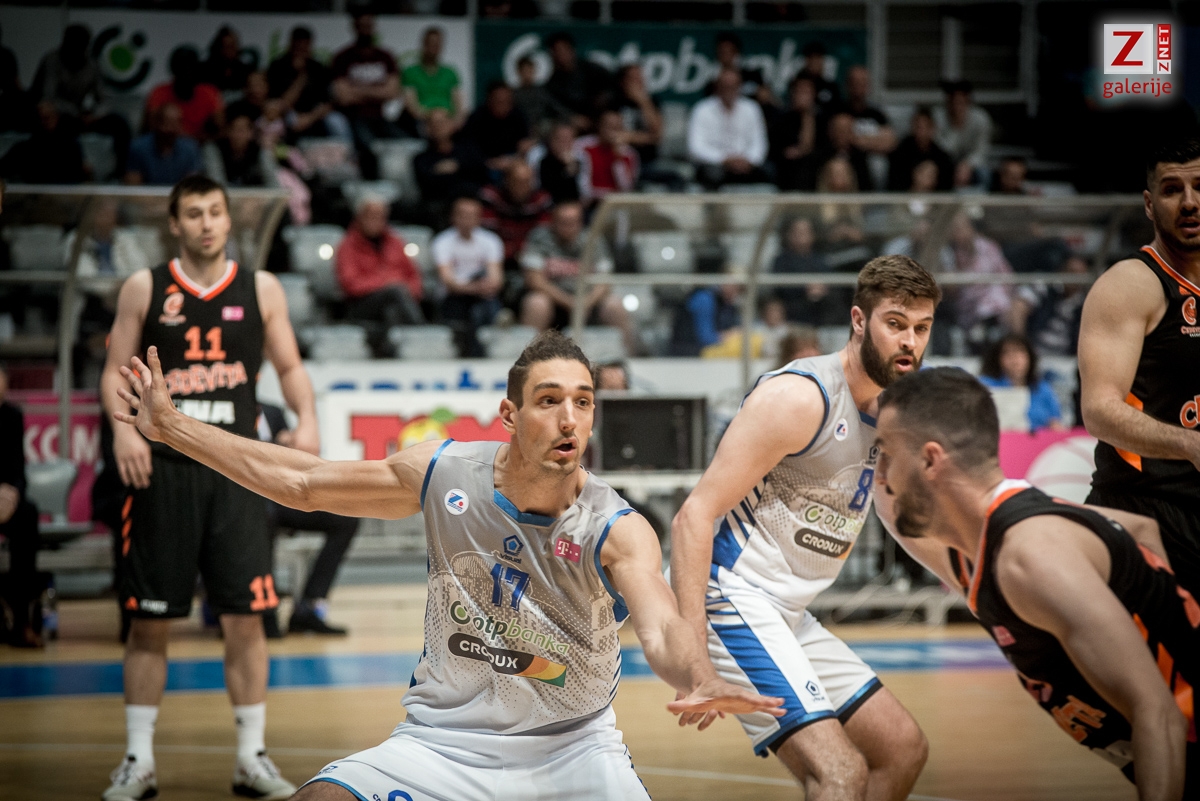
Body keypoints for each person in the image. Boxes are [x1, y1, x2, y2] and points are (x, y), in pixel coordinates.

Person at [112, 329, 784, 801]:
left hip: (572, 748)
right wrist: (173, 428)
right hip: (441, 744)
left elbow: (661, 627)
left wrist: (699, 674)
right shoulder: (444, 473)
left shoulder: (615, 525)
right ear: (509, 415)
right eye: (549, 400)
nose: (570, 418)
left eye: (583, 401)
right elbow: (304, 483)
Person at [670, 255, 940, 799]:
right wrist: (693, 657)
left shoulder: (897, 410)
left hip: (789, 612)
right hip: (736, 596)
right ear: (859, 320)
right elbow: (693, 515)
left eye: (921, 328)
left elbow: (903, 519)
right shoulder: (800, 397)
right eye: (895, 324)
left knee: (902, 748)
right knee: (839, 772)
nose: (909, 342)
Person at [873, 366, 1197, 799]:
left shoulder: (1030, 558)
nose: (881, 474)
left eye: (886, 455)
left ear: (931, 460)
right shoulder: (981, 549)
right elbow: (1142, 529)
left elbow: (1160, 714)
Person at [98, 175, 319, 801]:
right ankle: (138, 760)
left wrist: (307, 417)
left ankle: (251, 757)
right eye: (193, 213)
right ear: (175, 223)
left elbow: (289, 365)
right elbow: (114, 370)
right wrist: (123, 434)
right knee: (149, 621)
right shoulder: (145, 286)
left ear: (228, 220)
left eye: (215, 212)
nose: (205, 223)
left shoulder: (261, 287)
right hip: (163, 470)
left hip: (237, 469)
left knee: (247, 618)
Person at [1079, 138, 1200, 598]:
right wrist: (1189, 444)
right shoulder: (1130, 285)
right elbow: (1100, 410)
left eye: (1199, 187)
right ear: (1149, 205)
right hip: (1145, 508)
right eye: (1172, 190)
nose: (1189, 202)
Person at [257, 402, 358, 636]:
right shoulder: (228, 409)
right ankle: (263, 610)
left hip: (280, 498)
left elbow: (292, 461)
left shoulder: (273, 412)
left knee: (346, 520)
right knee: (263, 517)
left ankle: (309, 606)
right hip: (242, 503)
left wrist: (290, 443)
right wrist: (274, 446)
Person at [519, 201, 632, 351]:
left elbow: (604, 281)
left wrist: (586, 302)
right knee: (536, 303)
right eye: (563, 222)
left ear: (581, 222)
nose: (568, 227)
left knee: (614, 305)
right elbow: (534, 280)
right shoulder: (540, 238)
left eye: (573, 222)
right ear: (553, 221)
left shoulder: (593, 239)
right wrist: (570, 302)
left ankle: (629, 356)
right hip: (555, 302)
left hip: (588, 303)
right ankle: (527, 357)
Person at [31, 24, 132, 177]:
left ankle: (121, 171)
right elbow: (49, 98)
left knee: (119, 123)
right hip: (59, 115)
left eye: (80, 46)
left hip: (84, 117)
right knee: (63, 125)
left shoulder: (91, 65)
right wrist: (75, 113)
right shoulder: (52, 61)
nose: (75, 50)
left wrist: (94, 115)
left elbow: (104, 99)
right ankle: (77, 171)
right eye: (72, 45)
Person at [336, 194, 425, 356]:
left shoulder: (395, 242)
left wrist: (409, 291)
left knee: (392, 309)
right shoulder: (348, 246)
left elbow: (413, 275)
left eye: (380, 217)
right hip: (361, 304)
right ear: (360, 217)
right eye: (371, 216)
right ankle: (421, 333)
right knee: (395, 292)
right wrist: (385, 283)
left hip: (396, 301)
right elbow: (350, 284)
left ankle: (392, 351)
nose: (376, 221)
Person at [0, 364, 43, 648]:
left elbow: (18, 469)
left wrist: (12, 494)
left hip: (5, 499)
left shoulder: (12, 416)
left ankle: (21, 620)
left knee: (27, 515)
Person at [331, 12, 402, 180]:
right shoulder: (343, 57)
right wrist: (377, 91)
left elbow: (392, 92)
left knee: (406, 143)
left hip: (381, 117)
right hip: (353, 118)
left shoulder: (385, 57)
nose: (365, 29)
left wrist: (357, 89)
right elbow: (343, 96)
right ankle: (372, 185)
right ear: (354, 27)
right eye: (362, 25)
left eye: (368, 25)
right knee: (368, 147)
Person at [433, 197, 505, 357]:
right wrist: (474, 287)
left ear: (479, 218)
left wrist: (481, 287)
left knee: (484, 306)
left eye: (471, 215)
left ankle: (486, 345)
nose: (467, 220)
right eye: (462, 215)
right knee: (476, 310)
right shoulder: (442, 241)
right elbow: (449, 281)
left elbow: (497, 279)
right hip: (453, 298)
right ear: (453, 217)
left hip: (483, 295)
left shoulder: (491, 241)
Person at [688, 68, 770, 189]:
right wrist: (725, 160)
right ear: (717, 87)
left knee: (770, 171)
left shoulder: (752, 108)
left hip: (746, 165)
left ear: (740, 86)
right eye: (725, 86)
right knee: (712, 174)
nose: (729, 90)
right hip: (715, 164)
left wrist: (748, 161)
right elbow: (696, 148)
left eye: (733, 86)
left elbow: (759, 144)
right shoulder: (702, 109)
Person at [413, 108, 488, 225]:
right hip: (442, 209)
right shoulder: (421, 159)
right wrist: (460, 172)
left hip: (471, 202)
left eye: (442, 122)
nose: (438, 127)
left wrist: (456, 167)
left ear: (452, 124)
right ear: (427, 128)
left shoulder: (469, 150)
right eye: (433, 123)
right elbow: (428, 185)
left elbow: (481, 173)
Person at [266, 27, 341, 142]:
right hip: (287, 113)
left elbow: (328, 103)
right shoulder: (278, 66)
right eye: (298, 47)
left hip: (314, 114)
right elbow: (281, 103)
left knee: (337, 120)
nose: (301, 51)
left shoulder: (318, 68)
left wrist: (309, 118)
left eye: (304, 47)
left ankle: (345, 151)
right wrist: (301, 76)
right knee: (290, 118)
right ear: (291, 44)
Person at [978, 333, 1065, 432]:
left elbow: (1056, 422)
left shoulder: (1042, 388)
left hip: (1038, 439)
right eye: (1007, 354)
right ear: (998, 359)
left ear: (1030, 357)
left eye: (1020, 352)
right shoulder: (985, 386)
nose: (1015, 359)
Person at [1012, 252, 1089, 357]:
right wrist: (1022, 345)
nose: (1075, 278)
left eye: (1080, 274)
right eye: (1071, 272)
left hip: (1067, 358)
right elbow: (1018, 307)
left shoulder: (1085, 301)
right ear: (1061, 272)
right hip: (1035, 352)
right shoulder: (1044, 288)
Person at [772, 217, 844, 326]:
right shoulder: (781, 261)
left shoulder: (820, 259)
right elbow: (781, 289)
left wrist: (822, 289)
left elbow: (831, 281)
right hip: (793, 312)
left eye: (805, 231)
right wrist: (806, 289)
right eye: (797, 232)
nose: (801, 235)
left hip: (821, 312)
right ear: (788, 235)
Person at [479, 161, 553, 267]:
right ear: (506, 180)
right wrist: (512, 251)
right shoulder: (493, 197)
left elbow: (543, 235)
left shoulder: (541, 200)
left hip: (531, 259)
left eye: (526, 182)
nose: (522, 187)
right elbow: (487, 235)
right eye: (517, 181)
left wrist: (524, 252)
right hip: (496, 258)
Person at [145, 47, 224, 142]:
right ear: (174, 70)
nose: (187, 74)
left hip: (200, 144)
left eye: (191, 69)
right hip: (165, 143)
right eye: (182, 69)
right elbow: (153, 127)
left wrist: (197, 139)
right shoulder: (160, 93)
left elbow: (221, 128)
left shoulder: (209, 93)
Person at [0, 101, 88, 184]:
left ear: (56, 117)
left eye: (47, 118)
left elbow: (80, 175)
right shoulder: (23, 148)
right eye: (39, 118)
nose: (43, 122)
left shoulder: (70, 147)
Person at [460, 81, 533, 174]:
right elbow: (468, 147)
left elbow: (525, 142)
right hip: (483, 166)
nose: (503, 105)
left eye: (507, 101)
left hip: (512, 163)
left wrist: (512, 159)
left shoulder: (518, 116)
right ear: (489, 100)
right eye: (499, 101)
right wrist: (489, 162)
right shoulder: (477, 118)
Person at [543, 31, 613, 129]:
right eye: (557, 51)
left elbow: (611, 90)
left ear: (572, 49)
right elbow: (555, 106)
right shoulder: (552, 83)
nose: (561, 54)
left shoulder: (593, 70)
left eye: (564, 49)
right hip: (574, 125)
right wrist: (572, 117)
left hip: (601, 118)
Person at [124, 103, 203, 186]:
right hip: (146, 194)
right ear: (157, 123)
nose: (171, 129)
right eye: (167, 123)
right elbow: (132, 186)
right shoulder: (138, 148)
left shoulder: (190, 149)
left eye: (175, 124)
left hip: (179, 193)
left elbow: (192, 187)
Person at [401, 27, 465, 128]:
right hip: (423, 122)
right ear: (424, 45)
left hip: (448, 120)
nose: (434, 48)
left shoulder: (450, 72)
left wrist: (455, 122)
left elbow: (459, 104)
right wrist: (433, 116)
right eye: (431, 44)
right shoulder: (410, 72)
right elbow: (411, 105)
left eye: (437, 44)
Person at [933, 80, 992, 188]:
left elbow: (981, 150)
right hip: (947, 162)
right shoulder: (938, 118)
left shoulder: (980, 119)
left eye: (961, 102)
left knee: (984, 174)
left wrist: (967, 164)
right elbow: (941, 148)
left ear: (968, 101)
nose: (957, 107)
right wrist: (956, 125)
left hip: (973, 164)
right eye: (953, 102)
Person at [576, 109, 640, 207]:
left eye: (616, 128)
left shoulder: (629, 154)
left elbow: (626, 188)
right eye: (608, 126)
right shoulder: (583, 145)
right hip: (589, 202)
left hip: (616, 203)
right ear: (599, 126)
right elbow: (581, 181)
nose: (612, 131)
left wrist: (618, 158)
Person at [204, 110, 278, 188]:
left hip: (254, 194)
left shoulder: (260, 150)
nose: (239, 135)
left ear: (251, 132)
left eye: (243, 130)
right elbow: (216, 184)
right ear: (228, 131)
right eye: (236, 129)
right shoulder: (213, 149)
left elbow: (273, 182)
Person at [772, 74, 821, 191]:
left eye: (807, 92)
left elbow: (812, 147)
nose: (803, 96)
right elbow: (778, 150)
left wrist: (807, 115)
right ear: (792, 94)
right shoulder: (781, 119)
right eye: (799, 91)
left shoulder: (822, 119)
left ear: (814, 95)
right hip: (787, 169)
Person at [887, 107, 954, 192]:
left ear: (932, 128)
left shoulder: (942, 157)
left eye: (925, 127)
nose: (921, 132)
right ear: (912, 127)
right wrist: (916, 184)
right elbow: (894, 187)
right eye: (918, 127)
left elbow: (946, 189)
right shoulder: (900, 154)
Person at [612, 64, 663, 167]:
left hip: (648, 159)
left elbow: (657, 134)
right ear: (623, 81)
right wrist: (648, 138)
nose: (639, 81)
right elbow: (614, 136)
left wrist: (644, 103)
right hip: (621, 158)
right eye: (634, 78)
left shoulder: (651, 101)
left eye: (640, 77)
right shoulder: (614, 102)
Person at [513, 54, 572, 137]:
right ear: (519, 72)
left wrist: (571, 117)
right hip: (525, 130)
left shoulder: (541, 91)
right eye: (525, 71)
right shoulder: (514, 94)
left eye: (530, 70)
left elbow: (556, 106)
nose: (528, 74)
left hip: (545, 127)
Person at [814, 111, 873, 193]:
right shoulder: (819, 157)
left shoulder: (860, 158)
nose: (843, 134)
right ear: (831, 132)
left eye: (846, 130)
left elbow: (866, 189)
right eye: (839, 130)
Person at [532, 121, 582, 203]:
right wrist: (567, 171)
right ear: (551, 140)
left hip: (574, 206)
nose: (563, 144)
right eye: (559, 139)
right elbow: (542, 189)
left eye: (567, 139)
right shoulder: (540, 159)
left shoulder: (580, 160)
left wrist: (571, 166)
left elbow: (583, 192)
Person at [203, 27, 252, 95]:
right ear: (219, 48)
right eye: (228, 46)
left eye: (234, 46)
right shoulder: (206, 70)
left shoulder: (245, 70)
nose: (232, 50)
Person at [797, 41, 840, 111]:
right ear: (806, 61)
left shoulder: (831, 87)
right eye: (812, 58)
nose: (815, 62)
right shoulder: (798, 85)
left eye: (818, 58)